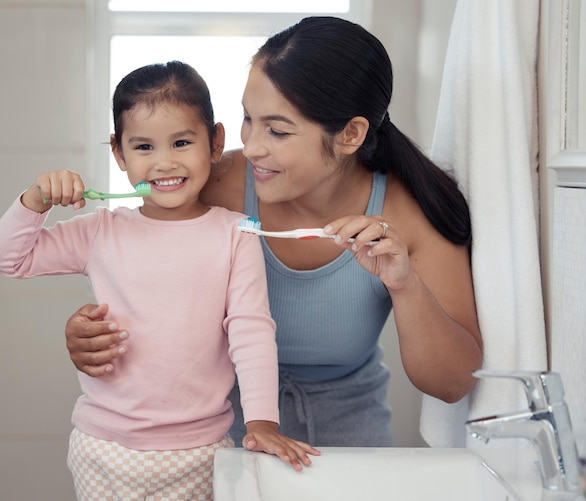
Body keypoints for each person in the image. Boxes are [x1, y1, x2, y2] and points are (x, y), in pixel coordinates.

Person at [64, 16, 483, 448]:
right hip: (215, 427)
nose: (252, 147)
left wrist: (405, 284)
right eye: (249, 118)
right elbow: (134, 264)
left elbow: (451, 384)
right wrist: (88, 334)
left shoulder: (412, 215)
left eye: (278, 131)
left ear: (350, 134)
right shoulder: (216, 184)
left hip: (347, 434)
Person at [0, 61, 318, 500]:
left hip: (201, 452)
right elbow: (7, 259)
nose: (164, 162)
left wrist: (261, 422)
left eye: (182, 142)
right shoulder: (99, 230)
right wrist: (35, 201)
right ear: (119, 153)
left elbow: (251, 329)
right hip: (102, 448)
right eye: (143, 147)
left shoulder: (236, 234)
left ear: (215, 143)